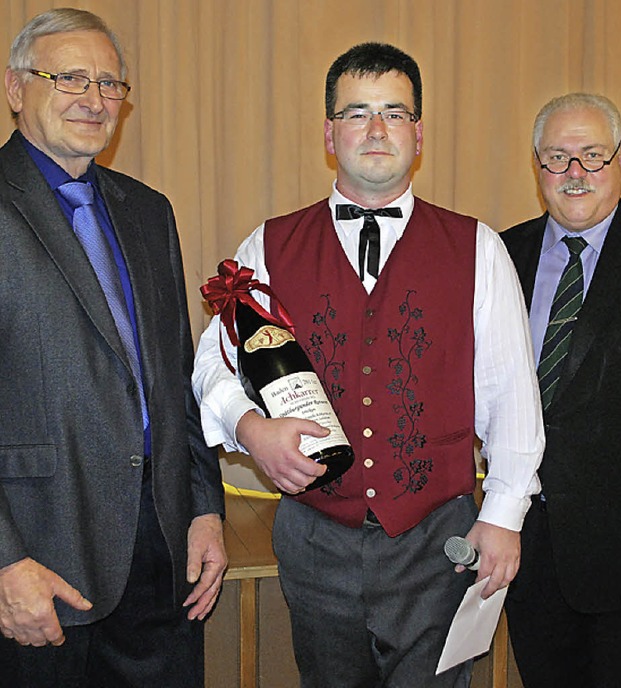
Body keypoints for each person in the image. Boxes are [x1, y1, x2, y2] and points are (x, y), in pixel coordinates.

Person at [193, 42, 543, 687]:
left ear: (418, 132)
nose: (376, 129)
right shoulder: (268, 245)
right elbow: (213, 364)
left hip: (438, 540)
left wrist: (502, 517)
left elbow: (512, 397)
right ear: (330, 134)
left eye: (394, 112)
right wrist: (249, 428)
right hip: (315, 536)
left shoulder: (478, 248)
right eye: (357, 113)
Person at [0, 8, 226, 687]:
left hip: (163, 556)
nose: (95, 99)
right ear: (16, 89)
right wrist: (5, 561)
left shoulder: (149, 210)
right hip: (41, 558)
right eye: (70, 77)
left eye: (110, 84)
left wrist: (205, 506)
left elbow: (175, 378)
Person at [501, 93, 621, 688]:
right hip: (526, 550)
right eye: (558, 158)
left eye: (592, 156)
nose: (575, 174)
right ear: (537, 166)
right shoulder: (500, 255)